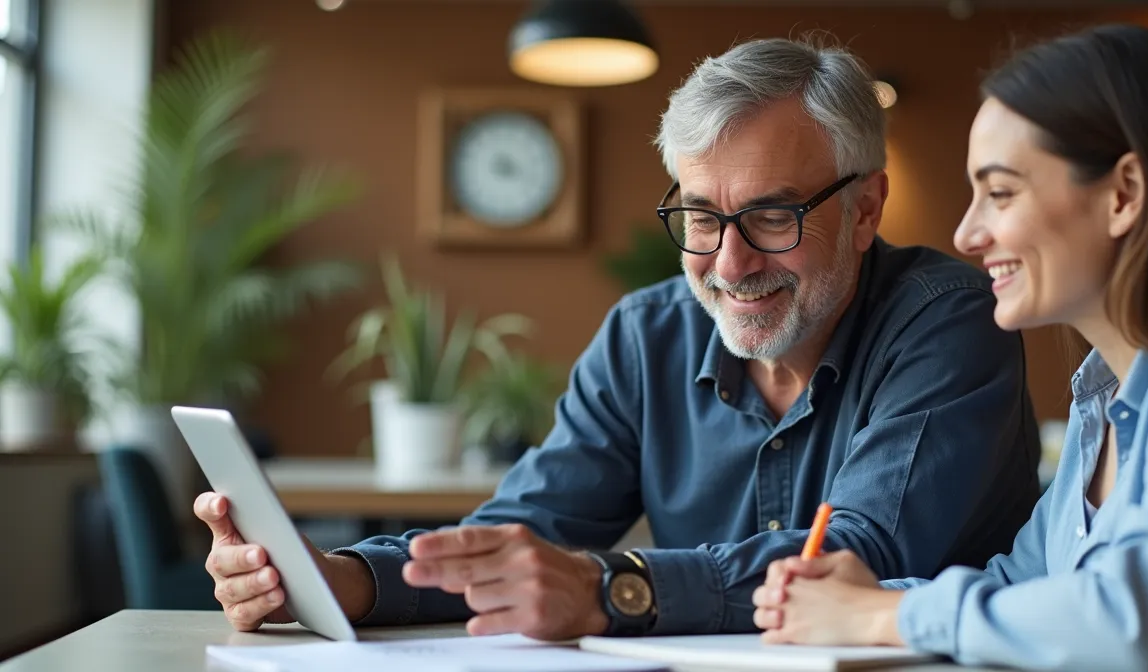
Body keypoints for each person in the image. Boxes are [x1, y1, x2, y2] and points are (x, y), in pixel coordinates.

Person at [195, 35, 1043, 642]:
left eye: (772, 216)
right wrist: (343, 580)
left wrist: (616, 589)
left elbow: (862, 557)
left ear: (864, 211)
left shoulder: (950, 317)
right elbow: (525, 525)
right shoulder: (646, 335)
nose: (729, 261)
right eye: (701, 217)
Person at [751, 23, 1148, 672]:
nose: (967, 233)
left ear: (1123, 194)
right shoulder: (1100, 399)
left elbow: (1133, 622)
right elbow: (1026, 590)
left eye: (1000, 192)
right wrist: (859, 598)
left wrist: (883, 616)